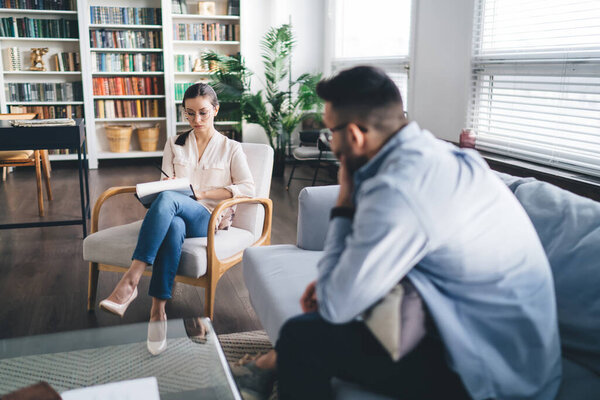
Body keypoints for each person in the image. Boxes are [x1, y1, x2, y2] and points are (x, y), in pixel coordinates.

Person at [235, 66, 562, 400]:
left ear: (355, 136)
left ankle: (267, 368)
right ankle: (268, 365)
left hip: (492, 374)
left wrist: (345, 196)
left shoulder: (398, 189)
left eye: (330, 131)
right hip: (517, 348)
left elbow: (334, 306)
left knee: (301, 336)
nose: (328, 141)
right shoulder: (441, 154)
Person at [99, 83, 255, 355]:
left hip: (207, 218)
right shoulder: (174, 143)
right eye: (190, 113)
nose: (197, 120)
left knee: (169, 200)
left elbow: (247, 188)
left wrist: (202, 192)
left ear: (215, 110)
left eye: (204, 113)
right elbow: (164, 184)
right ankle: (157, 312)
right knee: (172, 222)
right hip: (176, 216)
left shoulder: (231, 148)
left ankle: (132, 279)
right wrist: (168, 185)